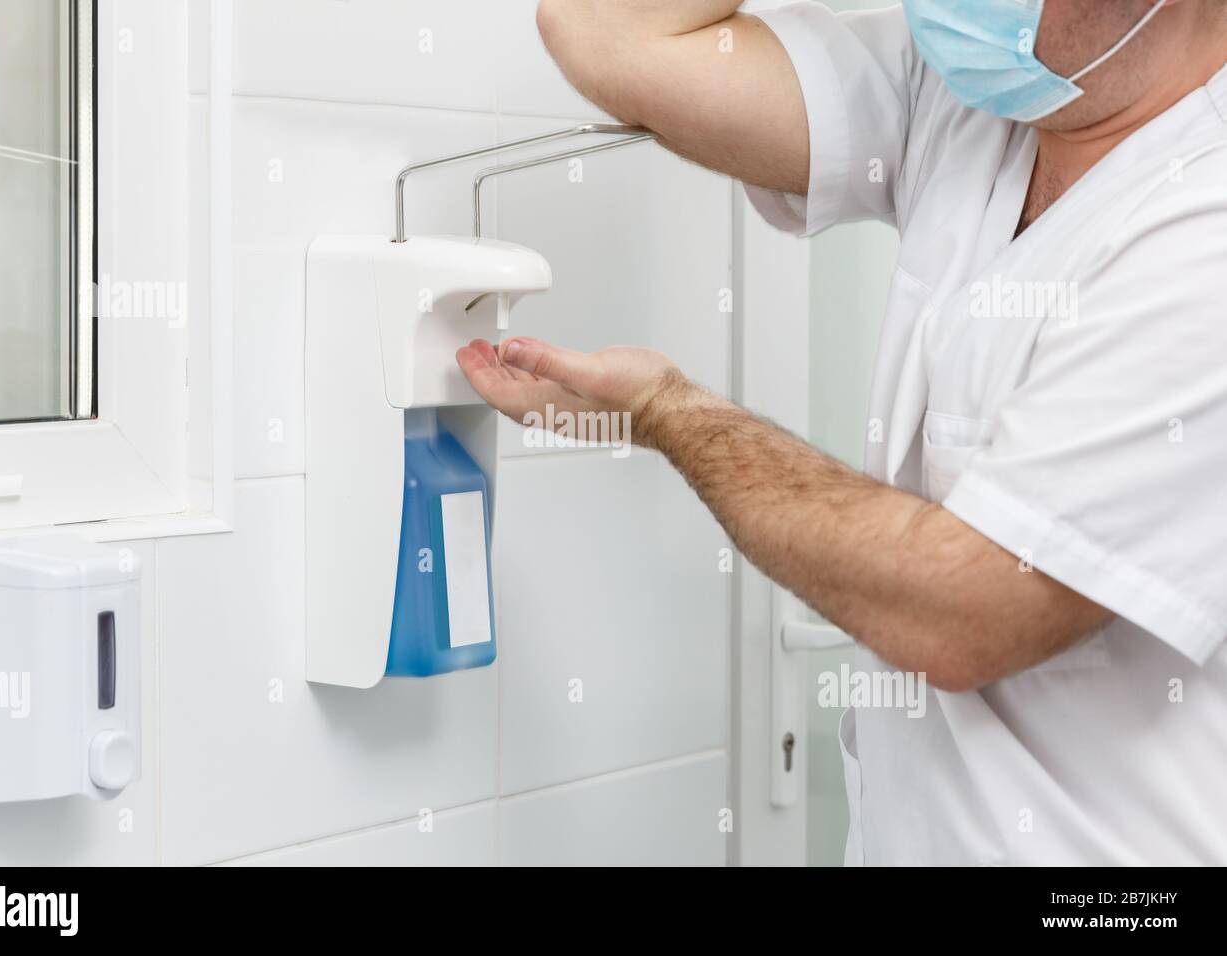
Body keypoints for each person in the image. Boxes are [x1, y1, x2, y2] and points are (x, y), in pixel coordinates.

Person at [456, 0, 1227, 865]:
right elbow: (600, 28)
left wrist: (673, 413)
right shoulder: (973, 103)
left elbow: (963, 608)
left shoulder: (1207, 226)